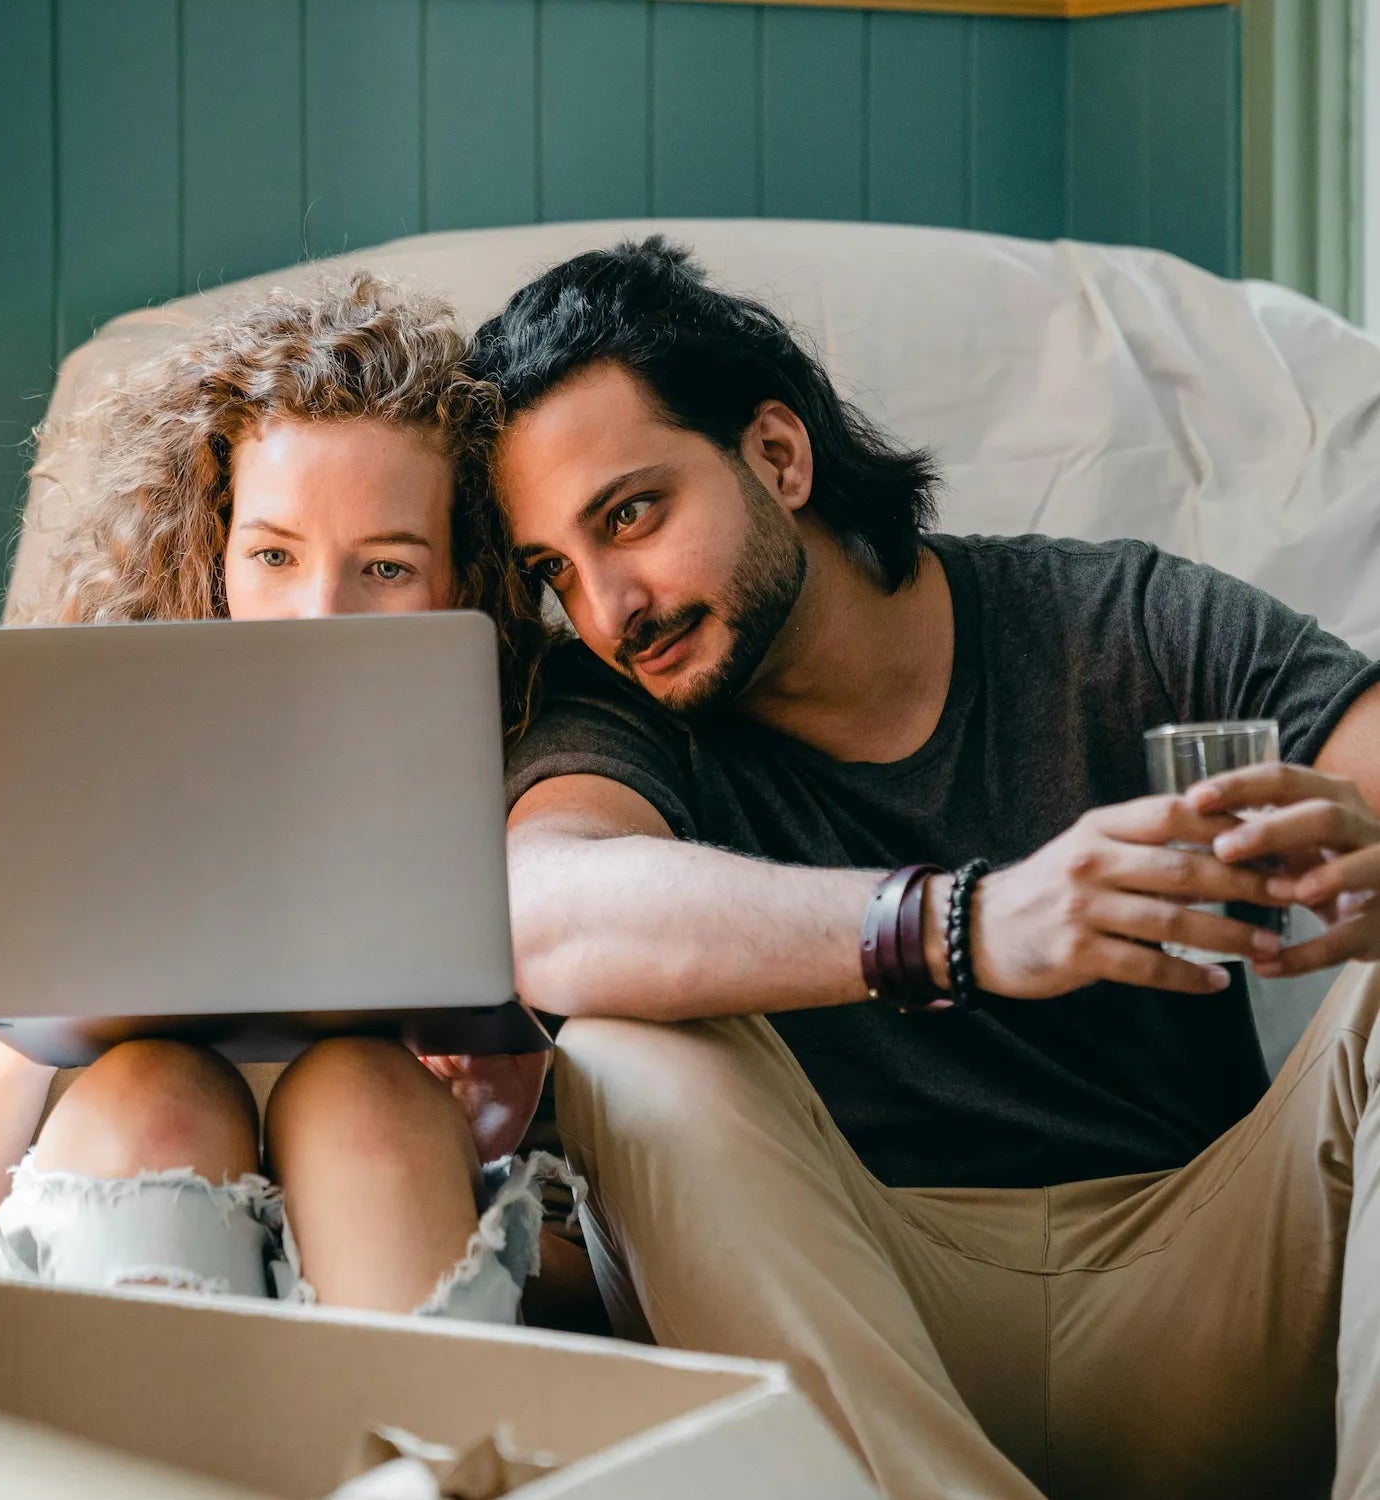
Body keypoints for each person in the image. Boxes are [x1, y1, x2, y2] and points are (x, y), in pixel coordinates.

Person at [467, 237, 1380, 1498]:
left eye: (633, 514)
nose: (612, 607)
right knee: (629, 1050)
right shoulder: (615, 711)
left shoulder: (1118, 626)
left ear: (778, 456)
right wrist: (965, 924)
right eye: (554, 571)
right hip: (873, 1316)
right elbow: (550, 910)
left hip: (1221, 1280)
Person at [0, 272, 584, 1326]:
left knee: (364, 1099)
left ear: (462, 580)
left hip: (408, 1274)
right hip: (100, 1259)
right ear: (210, 561)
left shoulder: (555, 784)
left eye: (385, 569)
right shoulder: (47, 764)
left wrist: (485, 1119)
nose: (319, 618)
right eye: (273, 556)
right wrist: (36, 1020)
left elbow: (627, 1257)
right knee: (149, 1094)